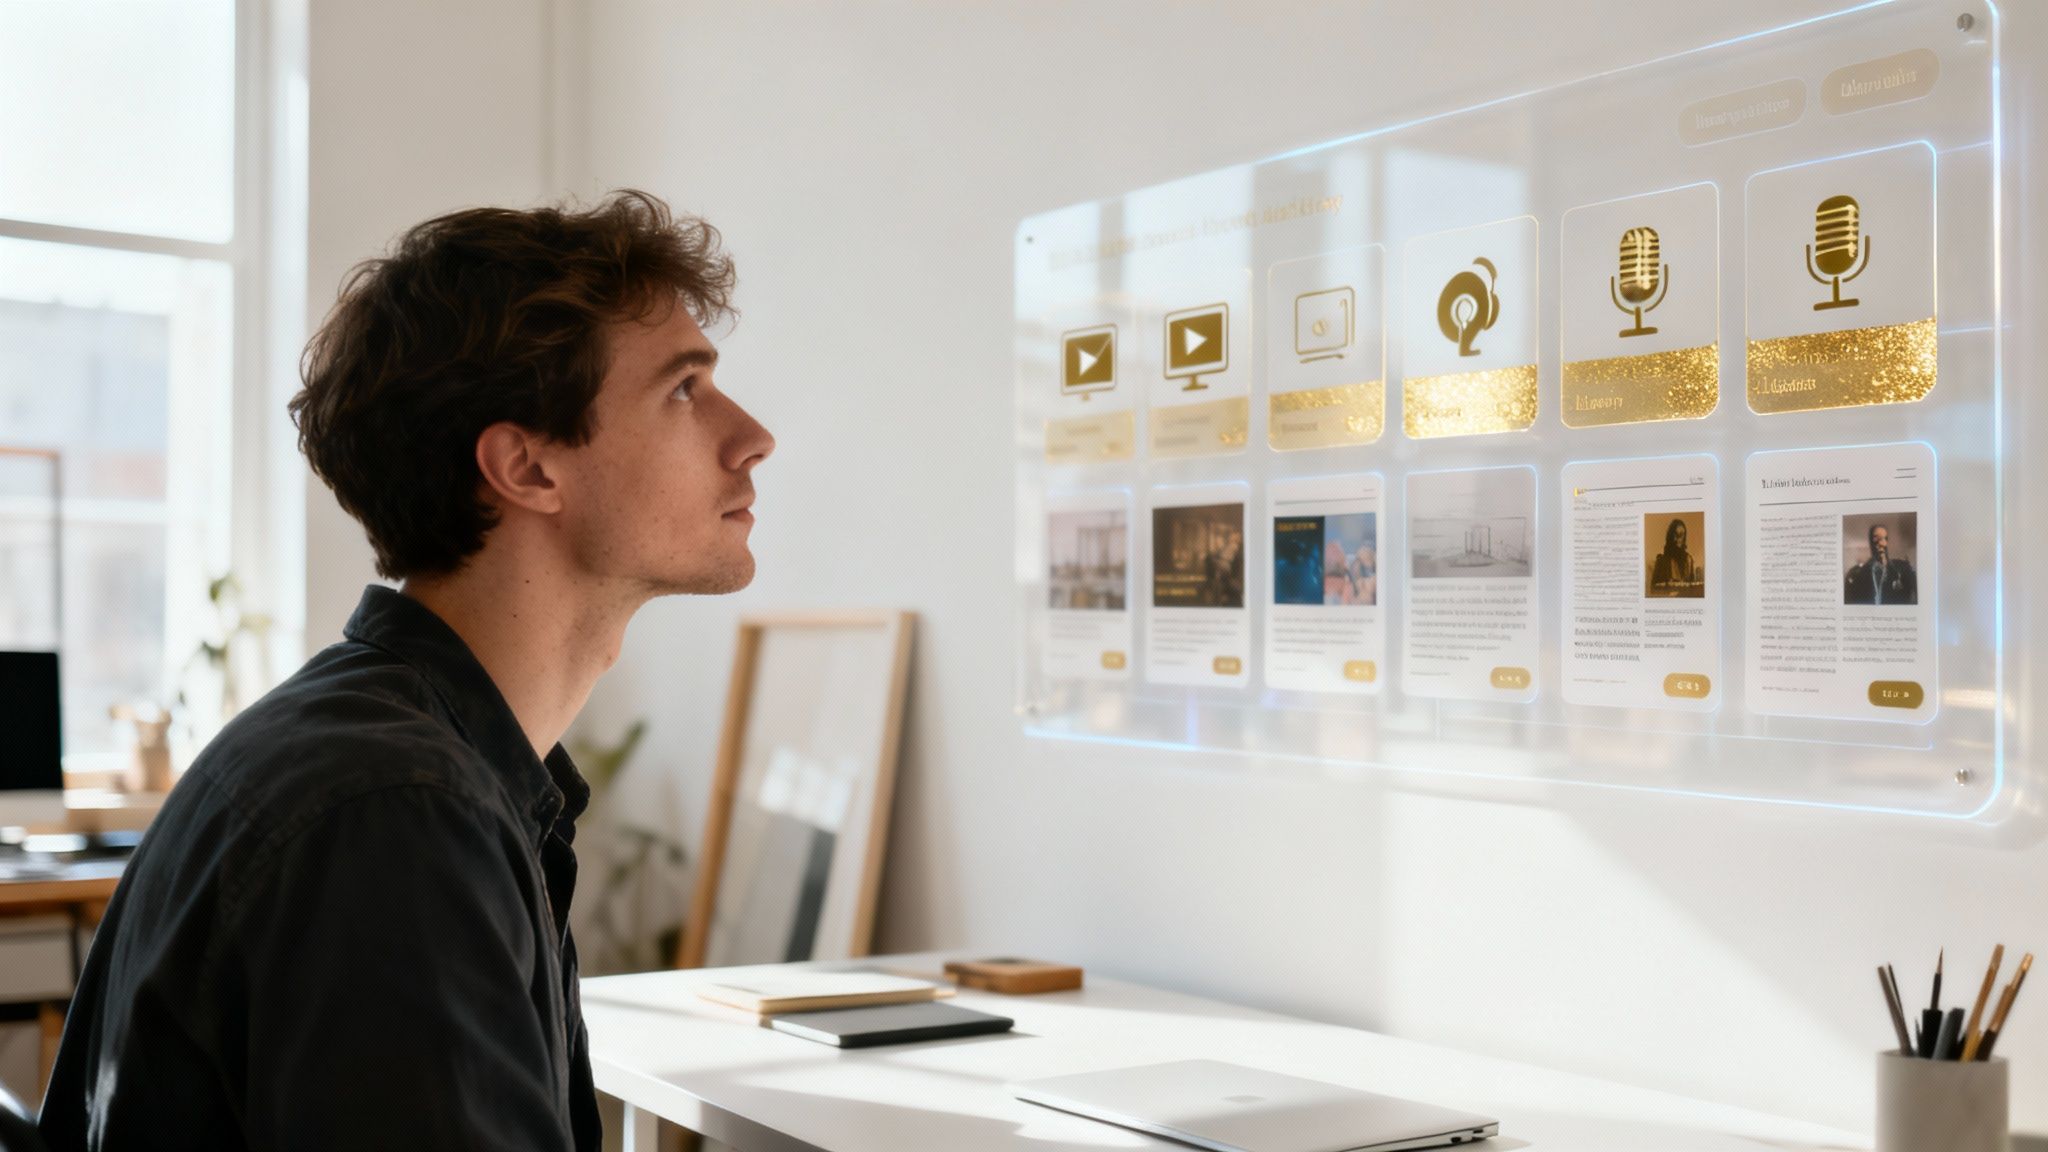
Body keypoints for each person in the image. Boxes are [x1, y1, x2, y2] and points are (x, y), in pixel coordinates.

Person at [40, 191, 774, 1151]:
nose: (751, 435)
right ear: (527, 467)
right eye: (683, 390)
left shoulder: (401, 759)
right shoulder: (397, 814)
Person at [1845, 522, 1917, 605]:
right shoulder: (1857, 574)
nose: (1882, 543)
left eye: (1885, 539)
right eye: (1877, 539)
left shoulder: (1901, 570)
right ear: (1871, 542)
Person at [1648, 517, 1703, 597]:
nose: (1678, 539)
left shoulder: (1689, 559)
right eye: (1675, 535)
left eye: (1681, 535)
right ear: (1670, 537)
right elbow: (1654, 588)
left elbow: (1692, 586)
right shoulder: (1662, 560)